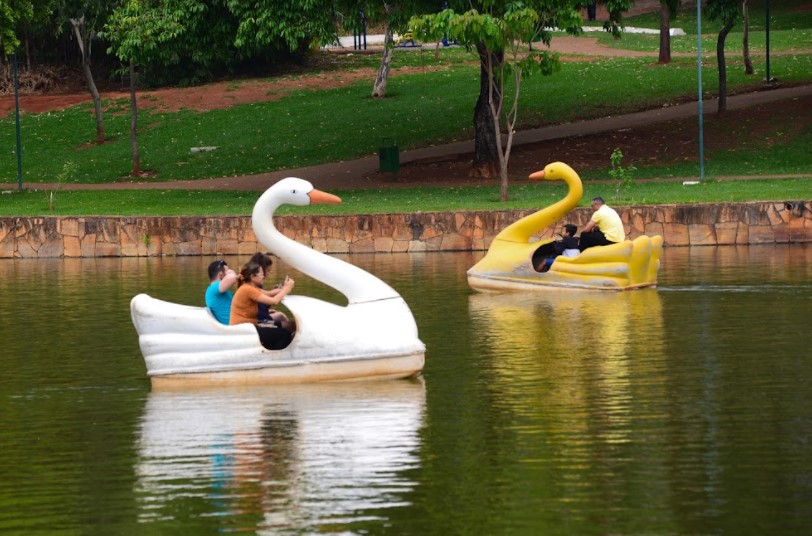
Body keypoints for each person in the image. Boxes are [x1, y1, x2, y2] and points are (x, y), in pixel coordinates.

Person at [230, 261, 295, 350]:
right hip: (244, 329)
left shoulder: (251, 287)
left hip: (251, 325)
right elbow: (274, 301)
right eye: (261, 274)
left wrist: (284, 288)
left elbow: (270, 293)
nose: (263, 276)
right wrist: (287, 289)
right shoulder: (248, 289)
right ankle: (273, 357)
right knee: (284, 334)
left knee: (289, 325)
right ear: (253, 277)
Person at [248, 252, 295, 333]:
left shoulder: (256, 285)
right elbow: (274, 301)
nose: (267, 275)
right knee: (290, 326)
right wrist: (286, 289)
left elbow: (264, 302)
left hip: (261, 320)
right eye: (267, 271)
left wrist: (277, 291)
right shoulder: (251, 288)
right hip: (259, 323)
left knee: (281, 316)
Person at [205, 259, 238, 325]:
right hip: (233, 328)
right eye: (226, 272)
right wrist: (230, 272)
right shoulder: (213, 288)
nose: (228, 273)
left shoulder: (219, 291)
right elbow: (233, 277)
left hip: (237, 324)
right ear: (220, 275)